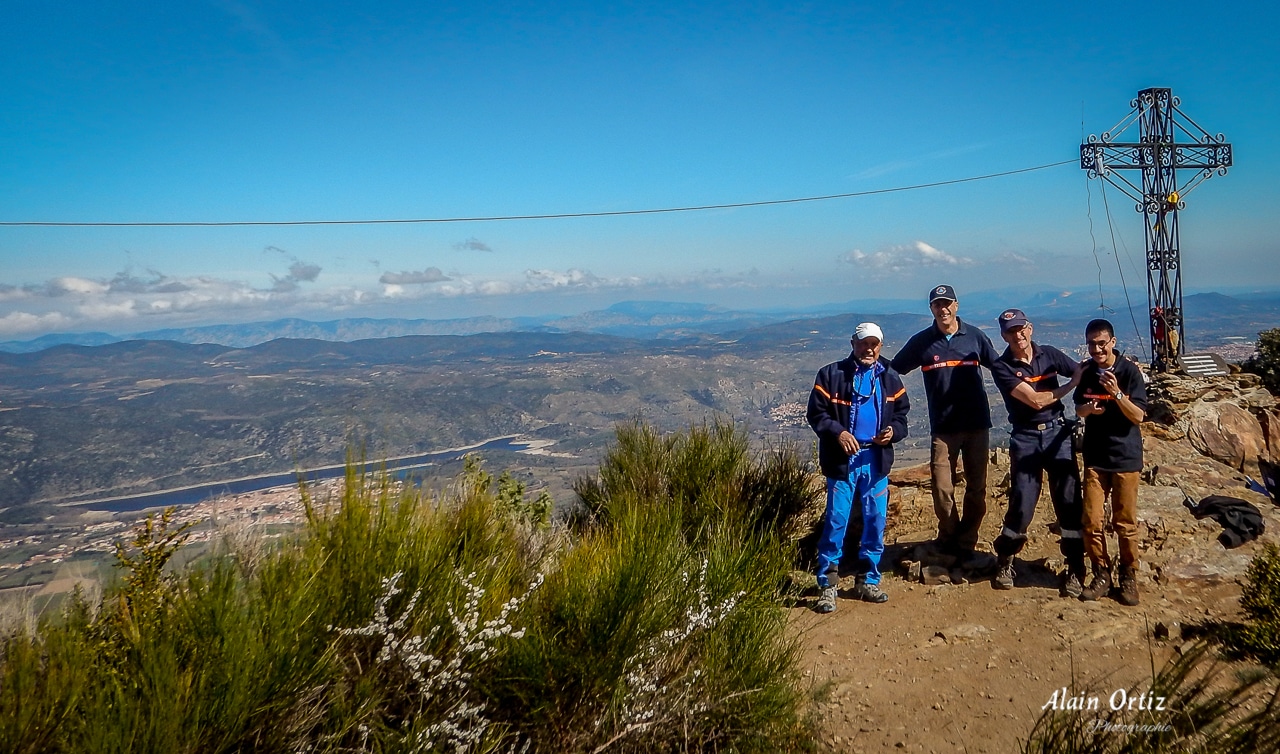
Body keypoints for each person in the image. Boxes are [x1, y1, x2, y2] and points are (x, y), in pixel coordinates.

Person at [807, 322, 910, 612]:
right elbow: (816, 413)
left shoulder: (890, 377)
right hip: (843, 462)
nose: (869, 348)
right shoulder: (831, 375)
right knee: (836, 520)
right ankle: (827, 584)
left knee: (875, 520)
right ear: (853, 344)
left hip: (875, 460)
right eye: (864, 343)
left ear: (881, 346)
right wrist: (838, 433)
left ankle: (868, 579)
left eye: (875, 343)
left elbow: (902, 414)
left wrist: (893, 432)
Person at [890, 285, 998, 561]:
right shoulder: (923, 341)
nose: (943, 309)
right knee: (941, 486)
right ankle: (948, 535)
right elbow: (894, 370)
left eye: (947, 303)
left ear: (957, 305)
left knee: (977, 486)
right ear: (931, 309)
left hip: (976, 424)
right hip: (943, 427)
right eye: (938, 305)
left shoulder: (974, 337)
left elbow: (1000, 369)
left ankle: (967, 539)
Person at [987, 309, 1087, 596]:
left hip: (1058, 434)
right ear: (1003, 336)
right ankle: (1005, 558)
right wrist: (1071, 384)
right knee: (1022, 502)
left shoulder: (1050, 354)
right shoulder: (1002, 366)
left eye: (1021, 329)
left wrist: (1111, 368)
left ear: (1030, 328)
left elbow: (1081, 370)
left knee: (1069, 502)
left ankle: (1075, 567)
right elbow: (1035, 400)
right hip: (1026, 437)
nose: (1017, 335)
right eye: (1010, 331)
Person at [1073, 319, 1149, 606]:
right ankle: (1101, 573)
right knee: (1091, 521)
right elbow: (1079, 408)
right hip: (1095, 457)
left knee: (1124, 522)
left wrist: (1117, 393)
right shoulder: (1088, 372)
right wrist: (1088, 409)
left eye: (1101, 343)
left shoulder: (1129, 372)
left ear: (1112, 342)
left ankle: (1128, 576)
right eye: (1092, 344)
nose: (1096, 349)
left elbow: (1139, 416)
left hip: (1125, 458)